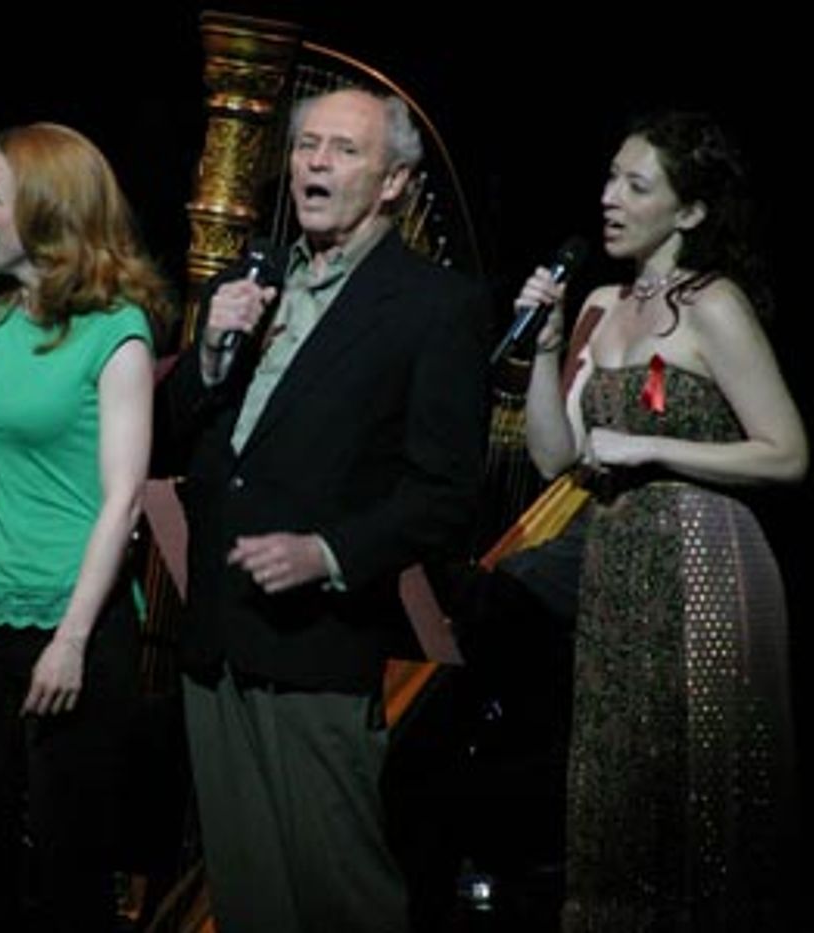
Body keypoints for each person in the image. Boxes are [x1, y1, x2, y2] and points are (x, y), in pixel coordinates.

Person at [155, 87, 488, 932]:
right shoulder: (249, 280)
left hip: (315, 646)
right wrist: (212, 348)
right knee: (247, 900)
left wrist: (329, 552)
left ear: (394, 182)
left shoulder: (434, 305)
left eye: (343, 149)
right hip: (217, 637)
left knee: (339, 900)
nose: (315, 163)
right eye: (307, 146)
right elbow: (165, 441)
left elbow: (446, 495)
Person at [517, 111, 809, 931]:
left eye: (636, 185)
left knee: (701, 805)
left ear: (689, 211)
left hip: (704, 562)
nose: (610, 198)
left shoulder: (713, 305)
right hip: (616, 570)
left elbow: (787, 453)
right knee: (615, 784)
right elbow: (553, 457)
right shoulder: (600, 304)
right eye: (610, 177)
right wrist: (545, 348)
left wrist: (650, 446)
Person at [0, 121, 169, 932]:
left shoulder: (116, 330)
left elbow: (124, 499)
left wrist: (70, 640)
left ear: (47, 211)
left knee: (69, 870)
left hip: (71, 618)